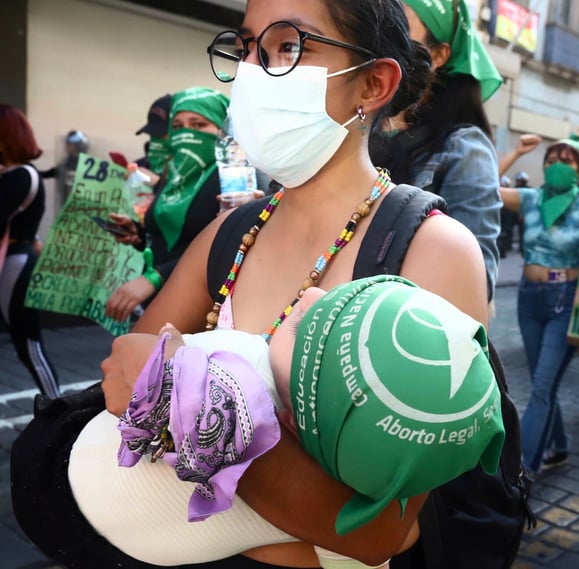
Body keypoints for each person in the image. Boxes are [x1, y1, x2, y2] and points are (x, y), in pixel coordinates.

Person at [13, 1, 489, 567]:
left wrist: (186, 398)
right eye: (246, 49)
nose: (254, 74)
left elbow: (380, 532)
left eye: (290, 47)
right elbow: (123, 383)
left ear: (373, 83)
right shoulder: (229, 233)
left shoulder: (431, 250)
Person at [68, 276, 504, 568]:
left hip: (70, 488)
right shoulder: (354, 519)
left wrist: (178, 380)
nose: (311, 294)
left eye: (300, 326)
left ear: (291, 423)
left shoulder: (240, 371)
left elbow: (131, 358)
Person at [370, 0, 503, 302]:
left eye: (398, 24)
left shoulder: (464, 149)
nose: (379, 36)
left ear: (438, 54)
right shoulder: (351, 126)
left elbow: (473, 287)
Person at [499, 138, 579, 475]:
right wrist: (517, 152)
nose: (557, 164)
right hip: (528, 299)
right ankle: (561, 444)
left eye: (567, 160)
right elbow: (483, 186)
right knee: (544, 382)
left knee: (540, 388)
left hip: (565, 301)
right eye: (552, 158)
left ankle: (519, 472)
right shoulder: (531, 199)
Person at [104, 87, 229, 322]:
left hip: (199, 307)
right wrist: (138, 234)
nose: (186, 134)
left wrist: (157, 276)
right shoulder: (174, 176)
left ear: (222, 128)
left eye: (199, 125)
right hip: (159, 300)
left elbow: (226, 248)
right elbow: (172, 237)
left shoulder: (231, 179)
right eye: (179, 127)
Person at [0, 104, 61, 398]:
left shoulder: (19, 176)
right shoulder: (19, 174)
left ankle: (58, 411)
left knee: (29, 345)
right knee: (27, 345)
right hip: (16, 261)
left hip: (15, 263)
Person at [40, 129, 88, 208]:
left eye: (69, 145)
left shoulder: (87, 165)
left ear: (77, 146)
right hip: (66, 208)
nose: (66, 147)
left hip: (80, 208)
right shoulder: (66, 163)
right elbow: (51, 173)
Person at [134, 93, 173, 181]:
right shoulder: (141, 166)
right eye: (152, 134)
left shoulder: (203, 176)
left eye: (161, 134)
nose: (156, 141)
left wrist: (157, 184)